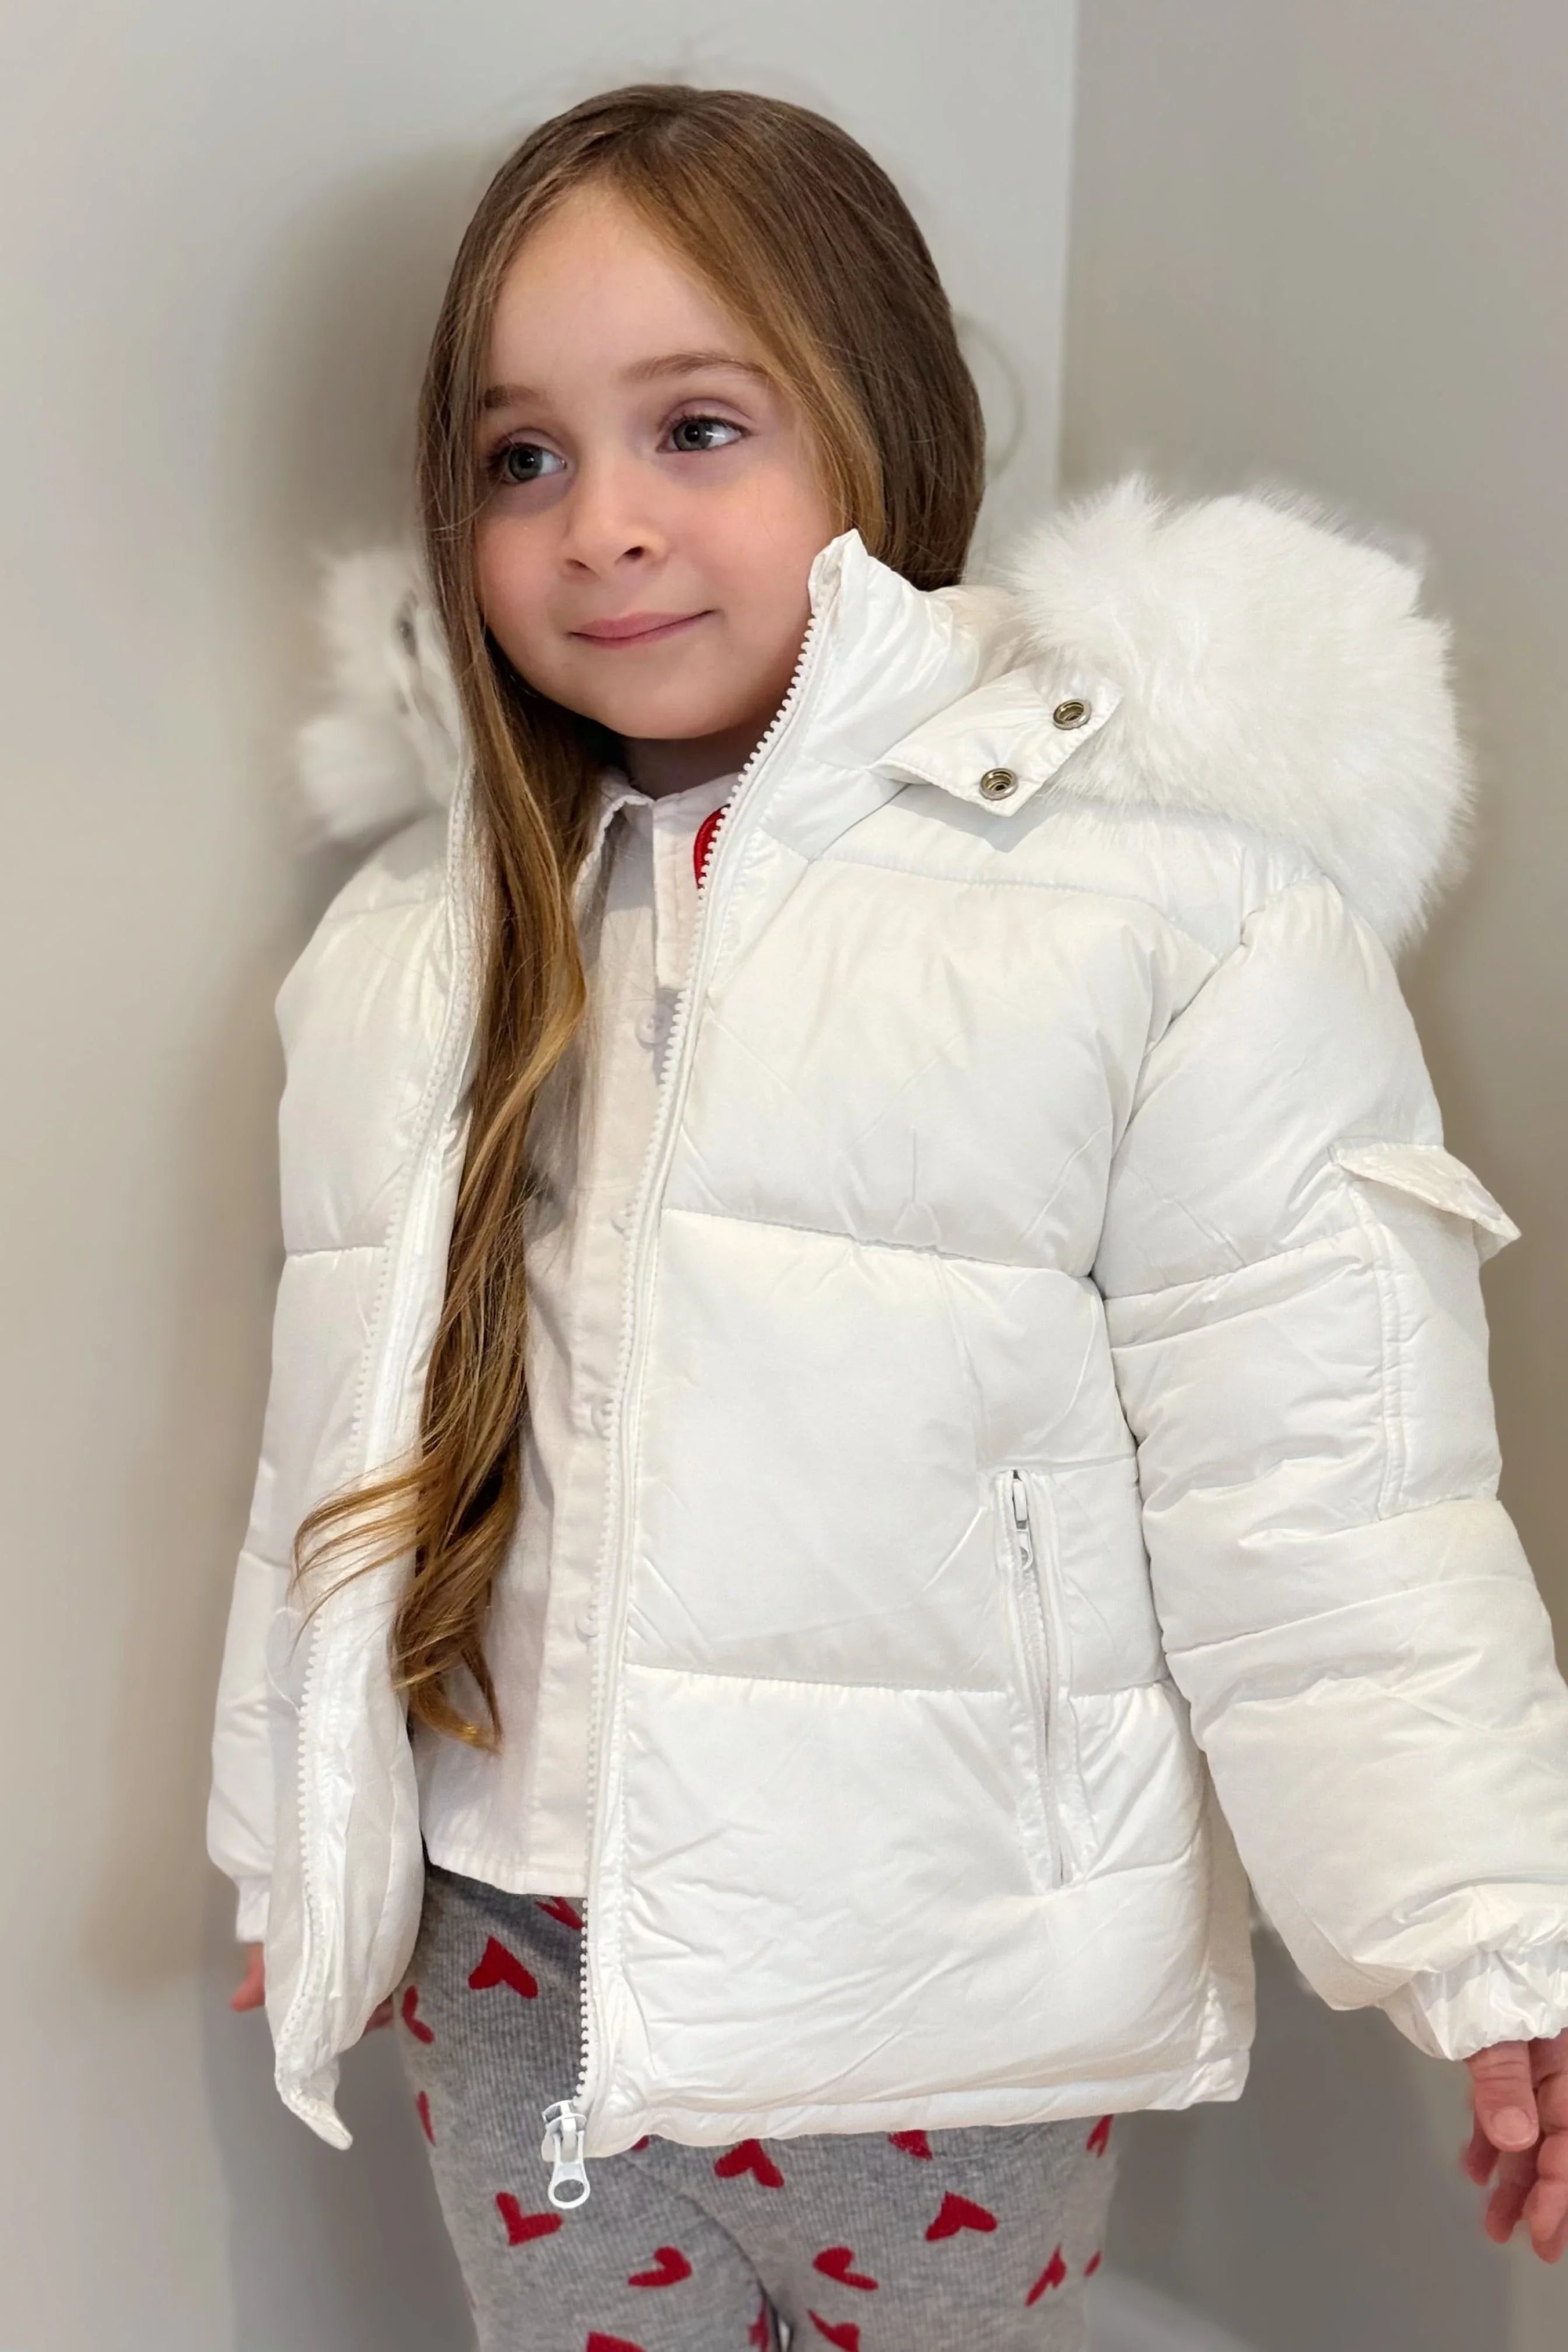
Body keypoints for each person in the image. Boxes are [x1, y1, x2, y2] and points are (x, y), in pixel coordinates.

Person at [207, 79, 1568, 2351]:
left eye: (698, 428)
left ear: (882, 434)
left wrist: (1494, 1944)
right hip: (512, 1961)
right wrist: (307, 1849)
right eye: (520, 456)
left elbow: (1331, 1500)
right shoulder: (417, 947)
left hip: (940, 1997)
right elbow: (328, 1468)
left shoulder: (1159, 923)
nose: (603, 525)